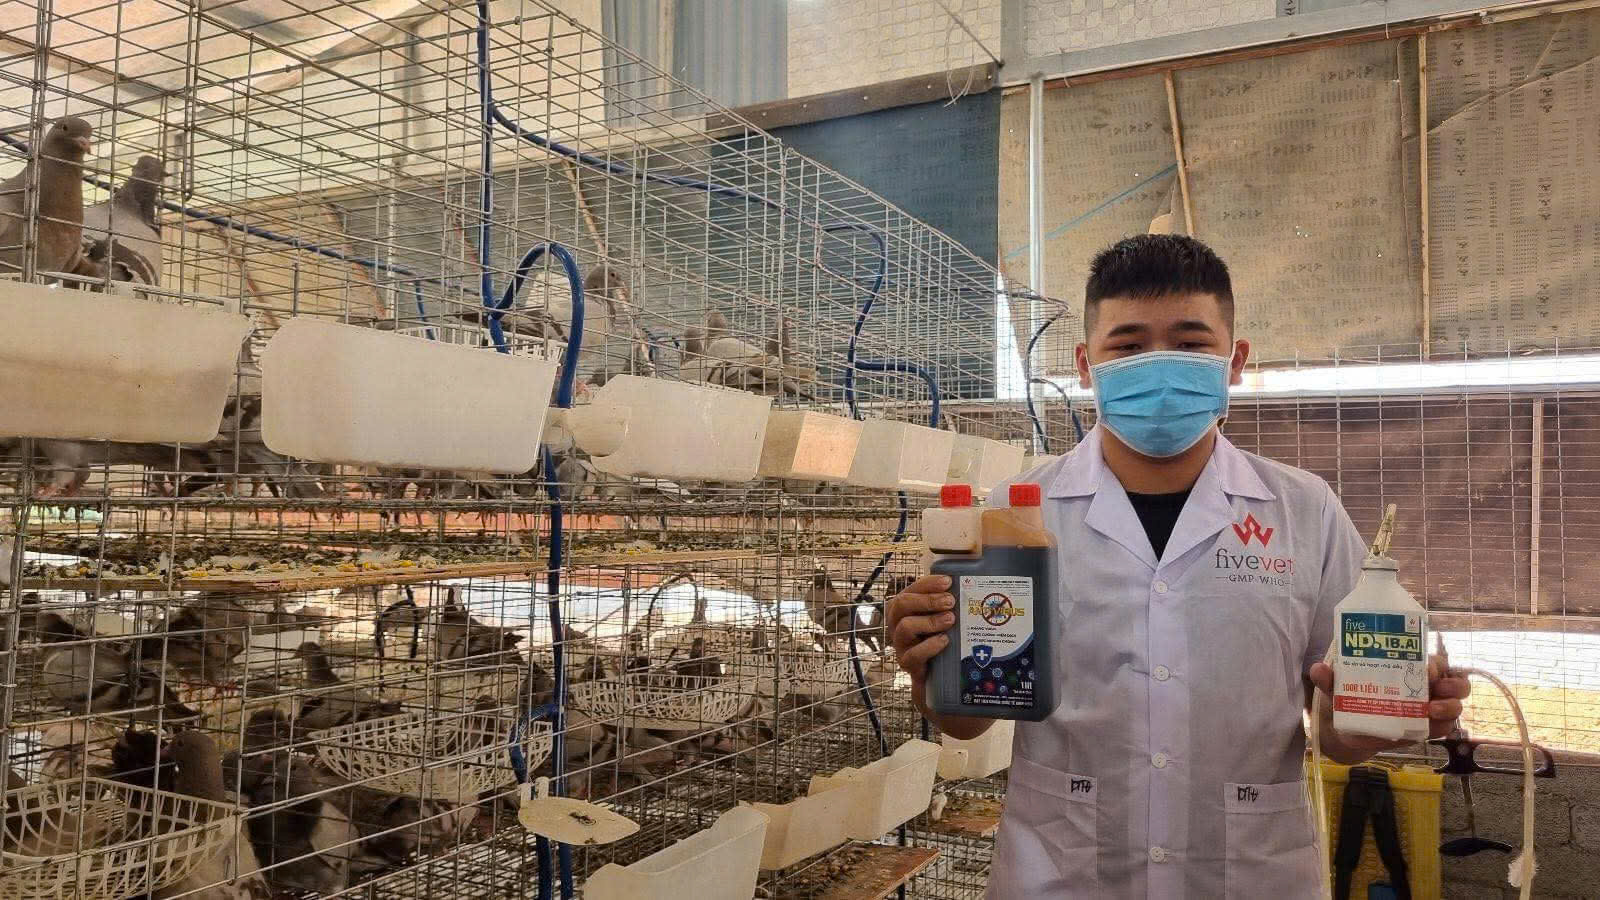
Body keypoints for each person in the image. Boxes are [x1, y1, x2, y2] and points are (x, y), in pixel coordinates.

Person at [887, 234, 1470, 898]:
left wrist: (1391, 710)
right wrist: (928, 671)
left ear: (1234, 361)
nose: (1159, 368)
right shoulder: (1015, 514)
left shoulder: (1303, 511)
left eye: (1191, 344)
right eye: (1128, 346)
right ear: (1086, 365)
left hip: (1248, 873)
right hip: (1063, 871)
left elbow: (1336, 733)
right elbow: (967, 720)